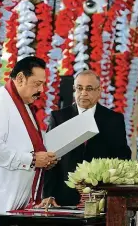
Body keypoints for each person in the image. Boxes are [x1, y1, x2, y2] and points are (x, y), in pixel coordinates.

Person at [0, 57, 58, 226]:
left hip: (15, 208)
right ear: (20, 78)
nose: (41, 90)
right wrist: (33, 160)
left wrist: (44, 159)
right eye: (37, 84)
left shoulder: (22, 105)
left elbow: (26, 146)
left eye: (42, 84)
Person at [42, 69, 131, 206]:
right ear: (74, 89)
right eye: (79, 88)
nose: (83, 93)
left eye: (89, 88)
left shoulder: (113, 119)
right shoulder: (59, 117)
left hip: (99, 196)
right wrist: (48, 195)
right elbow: (49, 161)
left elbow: (122, 158)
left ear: (99, 90)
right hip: (63, 197)